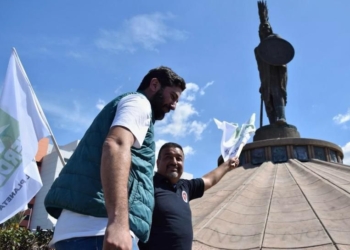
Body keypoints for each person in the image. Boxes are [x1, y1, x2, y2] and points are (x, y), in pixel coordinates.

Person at [44, 67, 186, 250]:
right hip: (98, 232)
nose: (174, 106)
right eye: (173, 97)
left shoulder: (129, 105)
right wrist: (119, 223)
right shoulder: (139, 103)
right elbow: (116, 144)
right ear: (154, 84)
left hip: (88, 233)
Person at [138, 142, 239, 250]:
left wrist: (227, 165)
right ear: (158, 163)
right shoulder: (147, 186)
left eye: (179, 158)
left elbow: (209, 180)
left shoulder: (185, 186)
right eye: (168, 157)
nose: (174, 162)